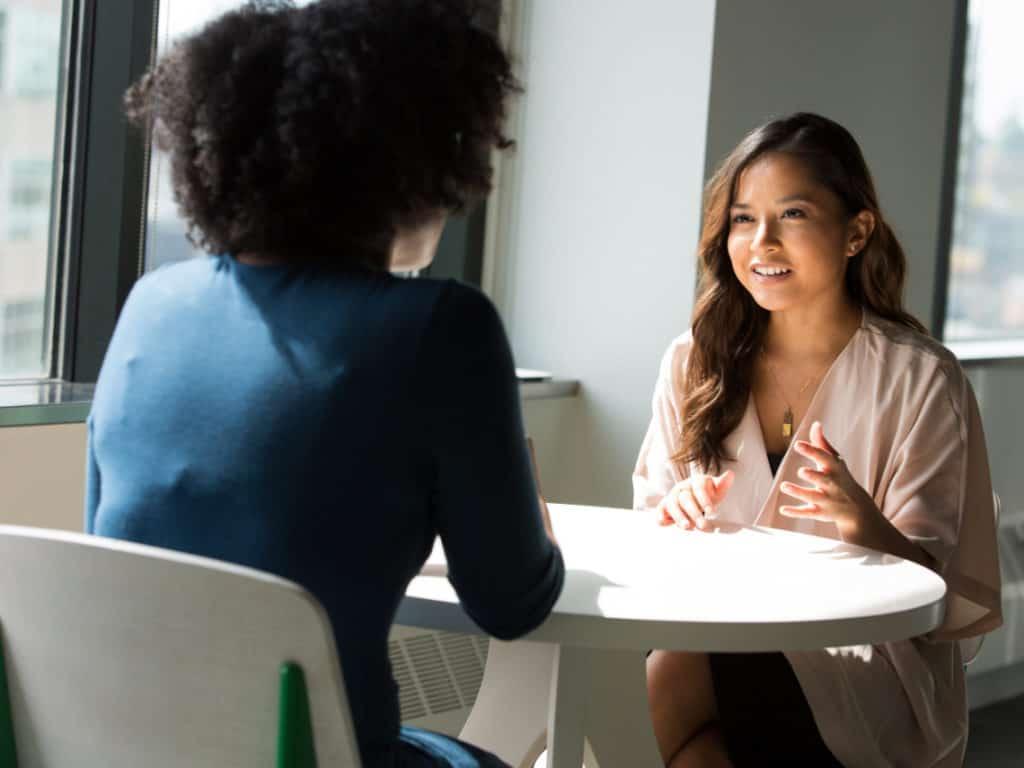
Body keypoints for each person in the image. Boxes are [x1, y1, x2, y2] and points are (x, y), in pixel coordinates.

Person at [85, 2, 564, 767]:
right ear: (411, 163)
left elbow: (115, 554)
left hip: (125, 749)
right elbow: (511, 604)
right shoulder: (443, 326)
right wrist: (529, 525)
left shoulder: (151, 307)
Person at [635, 113, 1002, 768]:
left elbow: (935, 599)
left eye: (793, 215)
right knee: (671, 679)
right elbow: (648, 536)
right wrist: (675, 513)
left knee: (670, 677)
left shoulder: (921, 378)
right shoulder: (692, 361)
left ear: (856, 232)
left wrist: (865, 526)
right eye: (743, 219)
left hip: (866, 666)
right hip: (710, 634)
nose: (761, 242)